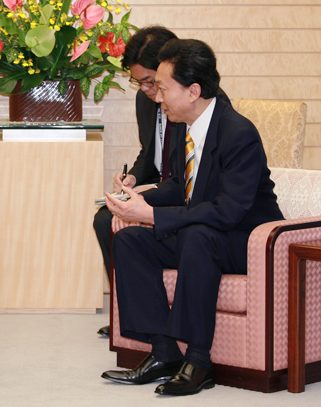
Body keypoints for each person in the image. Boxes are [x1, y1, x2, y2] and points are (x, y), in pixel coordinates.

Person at [100, 39, 283, 396]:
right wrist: (142, 198)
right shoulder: (184, 125)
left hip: (247, 241)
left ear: (193, 91)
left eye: (164, 88)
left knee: (198, 235)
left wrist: (153, 216)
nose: (158, 97)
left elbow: (228, 210)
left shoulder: (237, 133)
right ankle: (163, 352)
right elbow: (180, 184)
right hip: (208, 234)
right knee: (128, 238)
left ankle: (199, 360)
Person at [93, 27, 229, 337]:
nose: (146, 90)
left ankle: (161, 328)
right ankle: (130, 311)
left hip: (187, 194)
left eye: (150, 82)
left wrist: (148, 198)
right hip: (163, 184)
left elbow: (192, 177)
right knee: (105, 219)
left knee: (117, 222)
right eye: (138, 82)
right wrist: (134, 180)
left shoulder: (200, 107)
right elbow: (150, 153)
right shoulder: (147, 100)